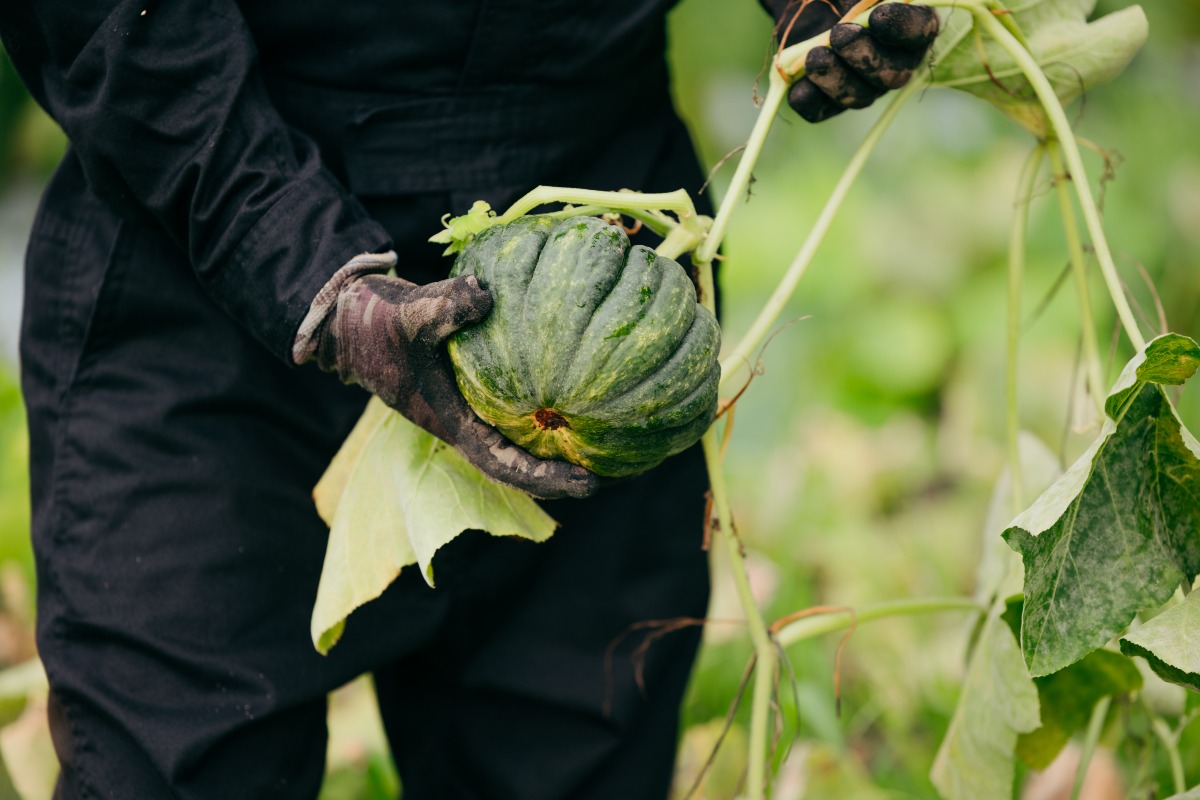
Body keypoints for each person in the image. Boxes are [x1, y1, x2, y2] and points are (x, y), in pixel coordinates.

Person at [0, 1, 936, 797]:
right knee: (182, 762)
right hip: (212, 218)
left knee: (572, 752)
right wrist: (298, 260)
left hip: (597, 245)